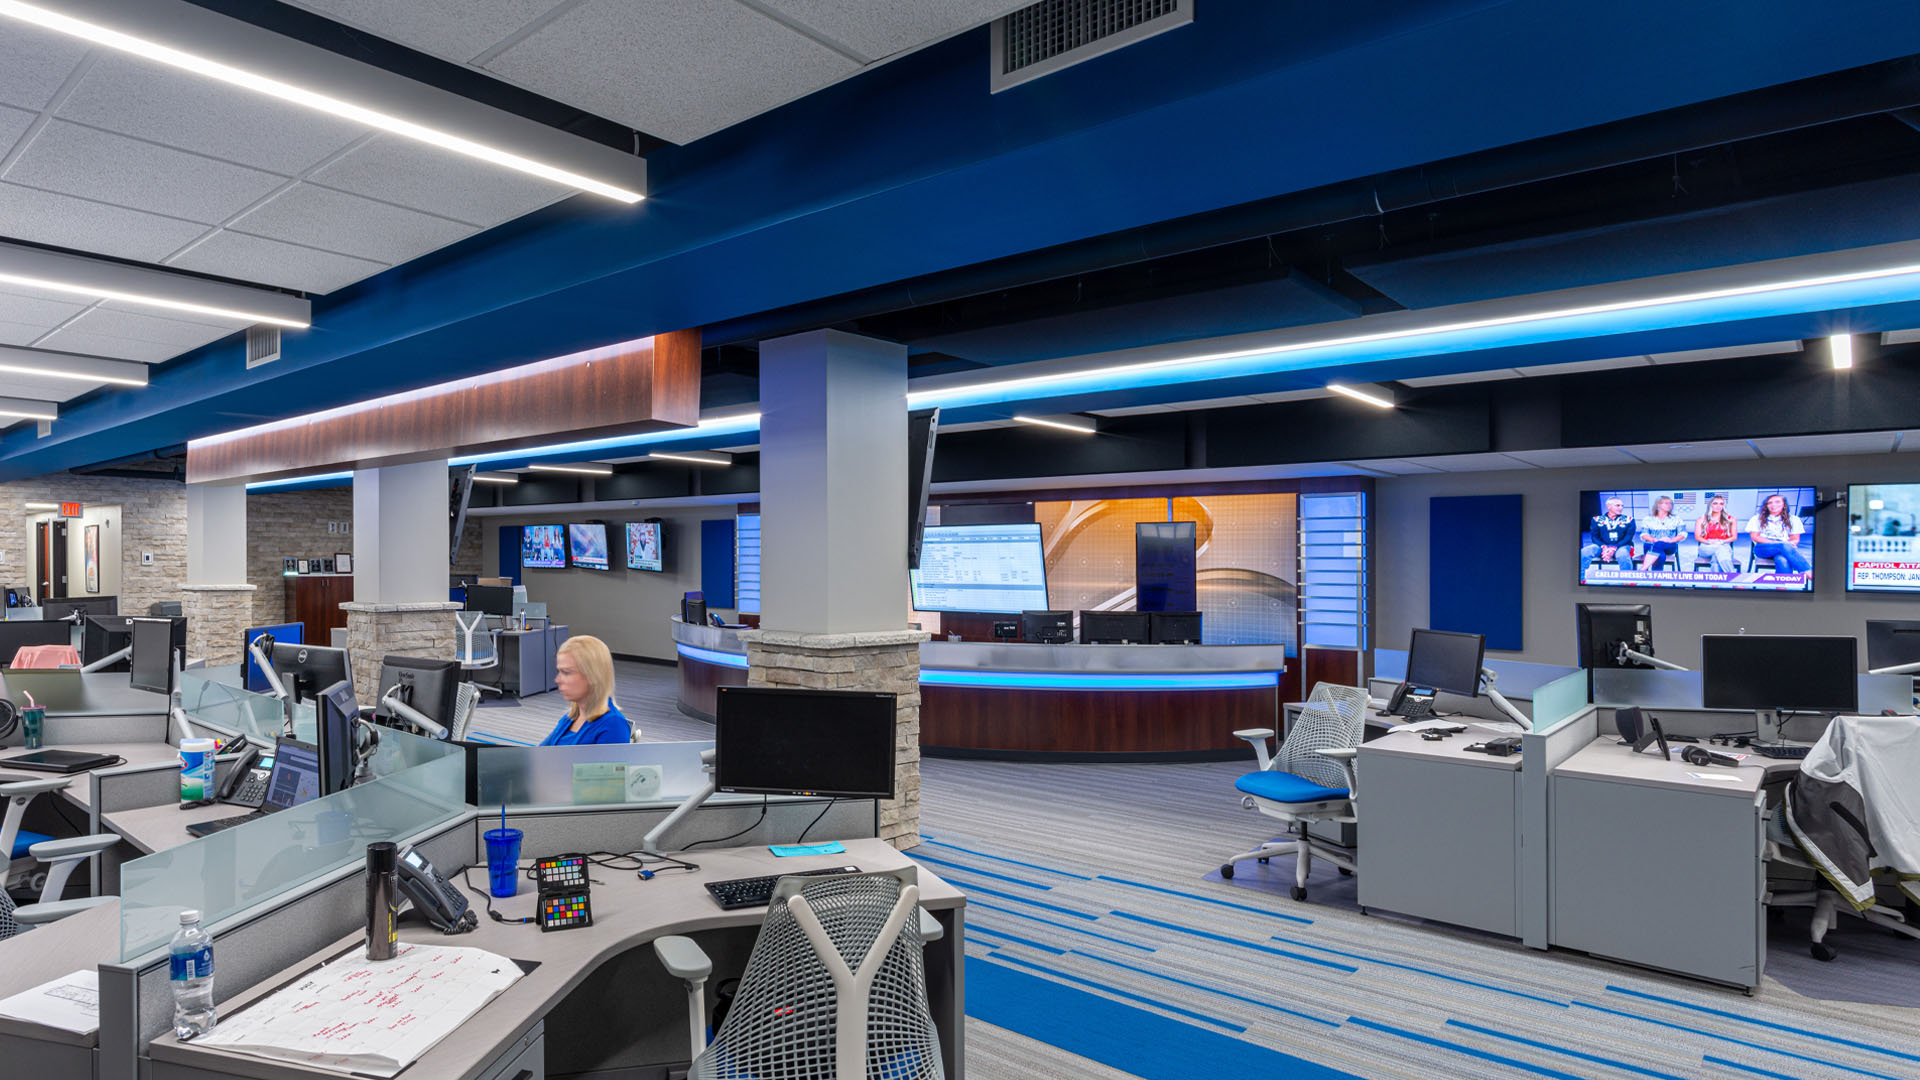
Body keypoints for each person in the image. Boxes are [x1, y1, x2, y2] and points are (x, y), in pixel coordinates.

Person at [540, 635, 634, 745]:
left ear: (593, 676)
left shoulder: (613, 726)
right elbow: (538, 752)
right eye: (559, 672)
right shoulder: (570, 718)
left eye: (566, 672)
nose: (558, 680)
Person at [1747, 493, 1810, 574]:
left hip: (1786, 547)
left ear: (1784, 504)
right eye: (1770, 503)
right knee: (1783, 546)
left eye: (1777, 502)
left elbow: (1795, 539)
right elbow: (1755, 537)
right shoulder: (1756, 519)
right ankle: (1807, 571)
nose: (1773, 505)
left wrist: (1786, 544)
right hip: (1763, 547)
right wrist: (1777, 543)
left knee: (1782, 559)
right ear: (1766, 506)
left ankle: (1783, 582)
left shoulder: (1794, 519)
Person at [1581, 497, 1636, 575]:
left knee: (1622, 554)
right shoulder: (1596, 519)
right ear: (1608, 506)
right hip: (1602, 546)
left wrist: (1614, 547)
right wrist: (1604, 547)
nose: (1621, 508)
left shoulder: (1629, 520)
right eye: (1617, 505)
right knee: (1585, 552)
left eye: (1622, 506)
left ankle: (1627, 578)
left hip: (1622, 546)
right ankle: (1582, 578)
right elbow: (1594, 537)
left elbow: (1628, 538)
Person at [1638, 496, 1685, 571]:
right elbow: (1644, 535)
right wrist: (1654, 540)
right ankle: (1656, 577)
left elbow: (1683, 534)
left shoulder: (1676, 519)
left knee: (1659, 544)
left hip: (1669, 546)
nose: (1669, 505)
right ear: (1658, 505)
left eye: (1670, 503)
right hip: (1650, 544)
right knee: (1661, 555)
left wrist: (1671, 540)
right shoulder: (1648, 519)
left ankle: (1642, 570)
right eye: (1666, 503)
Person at [1693, 494, 1737, 573]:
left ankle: (1715, 580)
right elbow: (1697, 537)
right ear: (1710, 505)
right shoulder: (1701, 519)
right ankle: (1731, 574)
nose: (1718, 506)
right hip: (1706, 546)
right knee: (1720, 549)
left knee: (1716, 557)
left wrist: (1722, 542)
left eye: (1721, 504)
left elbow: (1734, 537)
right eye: (1715, 503)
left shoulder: (1731, 519)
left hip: (1724, 544)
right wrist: (1709, 542)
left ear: (1724, 506)